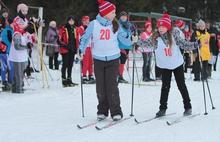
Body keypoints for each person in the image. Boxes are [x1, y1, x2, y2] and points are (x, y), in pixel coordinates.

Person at [79, 0, 132, 121]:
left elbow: (124, 39)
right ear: (105, 13)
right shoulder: (94, 24)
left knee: (112, 86)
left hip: (113, 59)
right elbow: (85, 38)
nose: (115, 14)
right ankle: (102, 111)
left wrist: (131, 38)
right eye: (112, 12)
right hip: (98, 60)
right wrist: (80, 50)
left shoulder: (115, 24)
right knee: (101, 88)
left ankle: (116, 112)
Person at [137, 13, 199, 117]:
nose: (161, 29)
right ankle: (162, 109)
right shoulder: (156, 36)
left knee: (181, 86)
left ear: (168, 27)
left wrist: (194, 45)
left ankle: (188, 107)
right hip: (165, 65)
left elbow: (183, 44)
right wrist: (136, 41)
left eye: (163, 26)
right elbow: (146, 43)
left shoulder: (174, 34)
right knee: (165, 87)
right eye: (159, 26)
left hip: (176, 63)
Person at [8, 3, 32, 93]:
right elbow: (21, 29)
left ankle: (17, 86)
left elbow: (27, 32)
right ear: (19, 11)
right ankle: (18, 88)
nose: (25, 12)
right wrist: (28, 26)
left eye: (26, 11)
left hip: (23, 50)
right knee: (18, 72)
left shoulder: (25, 19)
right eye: (23, 11)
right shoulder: (17, 19)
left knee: (22, 71)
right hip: (17, 51)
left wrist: (35, 26)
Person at [59, 16, 79, 87]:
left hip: (72, 49)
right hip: (65, 49)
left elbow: (77, 39)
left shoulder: (75, 28)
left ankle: (69, 79)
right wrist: (65, 45)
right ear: (67, 21)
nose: (71, 22)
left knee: (70, 65)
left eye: (72, 21)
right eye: (70, 20)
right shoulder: (63, 28)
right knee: (65, 64)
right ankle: (64, 80)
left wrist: (77, 48)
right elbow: (59, 40)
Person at [77, 16, 95, 84]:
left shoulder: (90, 28)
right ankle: (84, 76)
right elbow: (81, 38)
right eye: (85, 21)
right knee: (85, 62)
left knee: (91, 62)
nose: (86, 22)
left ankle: (90, 75)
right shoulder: (81, 28)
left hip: (90, 47)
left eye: (88, 21)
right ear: (82, 21)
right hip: (85, 47)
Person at [118, 11, 134, 83]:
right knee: (121, 60)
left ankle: (120, 76)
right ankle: (119, 76)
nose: (123, 18)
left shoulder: (129, 24)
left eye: (125, 16)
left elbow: (132, 32)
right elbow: (120, 34)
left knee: (123, 61)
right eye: (122, 16)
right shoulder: (118, 24)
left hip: (127, 45)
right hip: (120, 45)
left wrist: (134, 34)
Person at [0, 18, 14, 91]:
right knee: (10, 67)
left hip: (3, 51)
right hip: (7, 52)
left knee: (4, 67)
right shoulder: (9, 30)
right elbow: (11, 40)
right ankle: (9, 82)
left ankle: (4, 81)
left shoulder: (5, 30)